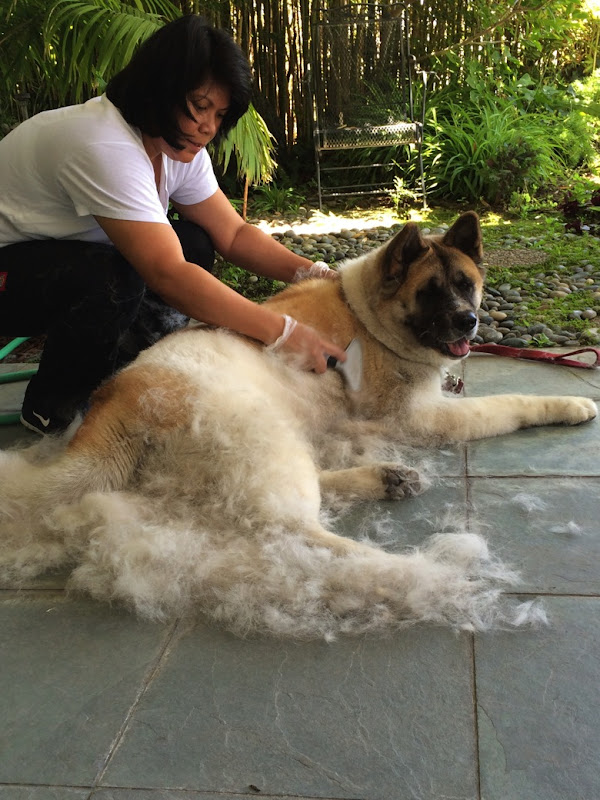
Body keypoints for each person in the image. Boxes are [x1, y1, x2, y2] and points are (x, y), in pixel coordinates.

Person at [0, 15, 345, 435]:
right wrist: (282, 331)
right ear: (158, 88)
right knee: (113, 278)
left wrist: (319, 275)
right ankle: (52, 407)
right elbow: (168, 274)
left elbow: (234, 234)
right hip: (9, 278)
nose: (209, 127)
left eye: (219, 114)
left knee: (194, 243)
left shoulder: (177, 146)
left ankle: (119, 371)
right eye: (200, 107)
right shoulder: (102, 144)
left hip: (51, 263)